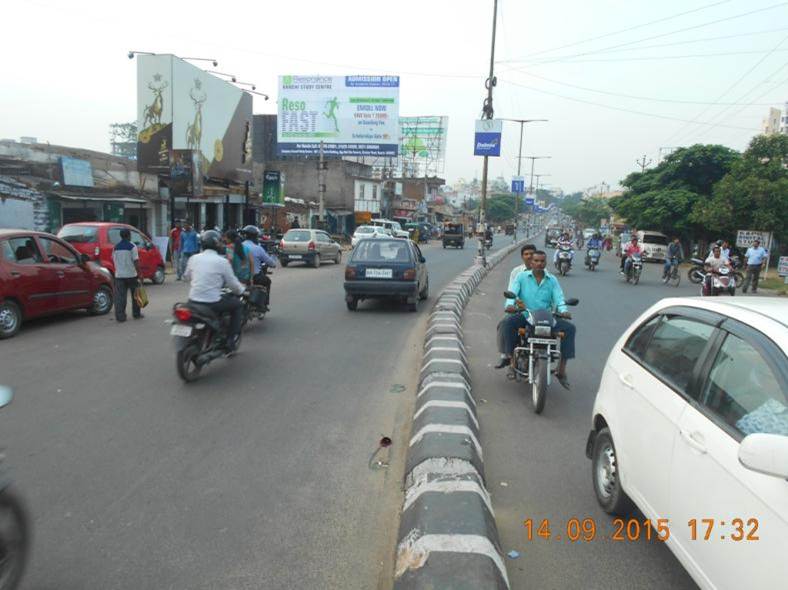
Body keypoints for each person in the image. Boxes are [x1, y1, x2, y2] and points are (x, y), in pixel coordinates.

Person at [500, 250, 576, 389]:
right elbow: (512, 293)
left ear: (546, 262)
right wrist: (510, 305)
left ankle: (561, 370)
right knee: (508, 323)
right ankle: (511, 363)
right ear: (531, 262)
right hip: (525, 315)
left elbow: (558, 297)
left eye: (542, 261)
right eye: (536, 261)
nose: (539, 264)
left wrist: (564, 311)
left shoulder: (552, 279)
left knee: (570, 329)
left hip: (546, 316)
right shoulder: (521, 277)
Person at [183, 230, 246, 352]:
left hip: (192, 301)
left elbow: (186, 277)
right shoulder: (222, 262)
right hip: (211, 303)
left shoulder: (193, 258)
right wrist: (242, 291)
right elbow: (233, 284)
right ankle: (230, 339)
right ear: (217, 244)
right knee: (237, 305)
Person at [495, 244, 536, 368]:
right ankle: (507, 356)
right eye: (526, 254)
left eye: (531, 254)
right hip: (520, 309)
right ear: (522, 257)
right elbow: (511, 291)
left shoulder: (546, 274)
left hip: (537, 312)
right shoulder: (516, 272)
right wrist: (511, 305)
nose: (529, 256)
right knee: (505, 324)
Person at [242, 225, 277, 309]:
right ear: (255, 237)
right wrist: (274, 256)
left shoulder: (238, 246)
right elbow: (271, 263)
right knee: (267, 281)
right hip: (254, 277)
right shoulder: (257, 248)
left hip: (239, 277)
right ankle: (264, 304)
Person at [112, 228, 143, 322]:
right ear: (129, 235)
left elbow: (114, 260)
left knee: (120, 297)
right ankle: (136, 314)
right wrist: (140, 273)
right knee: (136, 296)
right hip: (132, 275)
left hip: (119, 276)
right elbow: (136, 261)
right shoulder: (132, 246)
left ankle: (120, 317)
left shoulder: (115, 247)